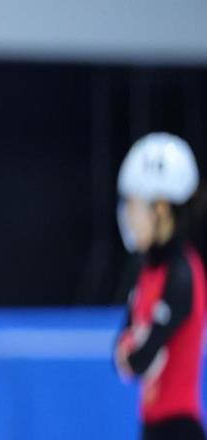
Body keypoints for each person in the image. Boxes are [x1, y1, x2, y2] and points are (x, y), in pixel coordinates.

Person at [114, 132, 206, 440]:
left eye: (134, 205)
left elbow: (138, 358)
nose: (128, 216)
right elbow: (120, 354)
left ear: (161, 209)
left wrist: (131, 348)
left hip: (178, 428)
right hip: (154, 427)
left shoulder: (182, 273)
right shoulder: (147, 270)